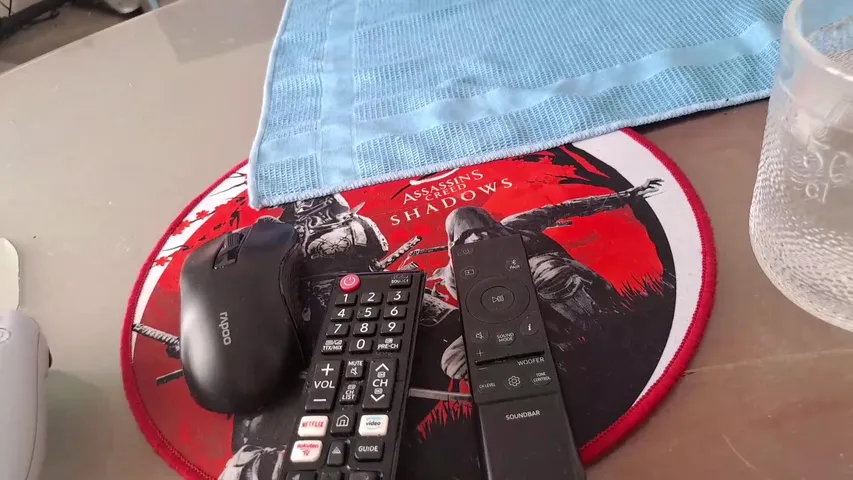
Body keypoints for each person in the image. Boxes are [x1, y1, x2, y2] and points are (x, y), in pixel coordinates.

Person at [439, 178, 662, 380]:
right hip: (522, 317)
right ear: (458, 243)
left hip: (576, 291)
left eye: (486, 230)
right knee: (455, 360)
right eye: (469, 236)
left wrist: (627, 196)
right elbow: (479, 317)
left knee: (545, 272)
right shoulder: (455, 276)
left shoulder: (517, 226)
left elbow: (564, 208)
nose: (482, 237)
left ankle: (607, 332)